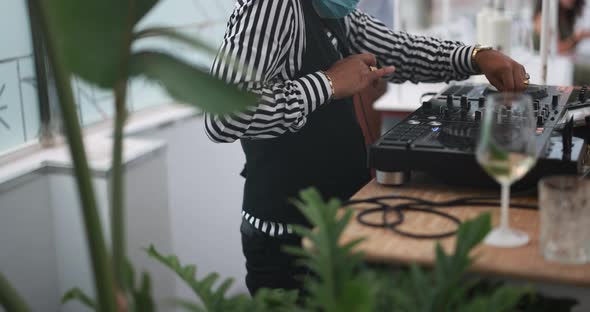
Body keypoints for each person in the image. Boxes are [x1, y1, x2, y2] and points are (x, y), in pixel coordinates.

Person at [205, 0, 528, 295]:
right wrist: (328, 83)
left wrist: (475, 56)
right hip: (290, 240)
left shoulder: (332, 13)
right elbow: (223, 115)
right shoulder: (274, 6)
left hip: (337, 225)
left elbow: (401, 50)